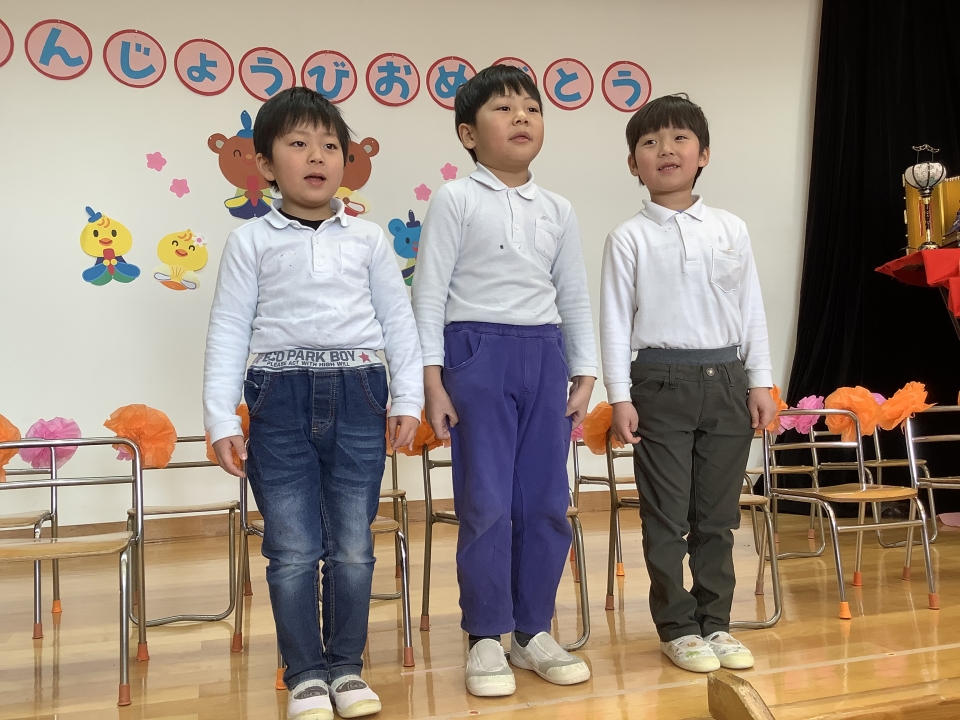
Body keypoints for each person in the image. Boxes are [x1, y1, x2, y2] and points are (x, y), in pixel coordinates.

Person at [203, 87, 423, 720]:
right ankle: (304, 674)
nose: (317, 156)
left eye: (330, 145)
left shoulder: (369, 239)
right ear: (265, 164)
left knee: (353, 544)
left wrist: (407, 397)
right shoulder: (250, 242)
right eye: (298, 144)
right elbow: (228, 329)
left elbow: (398, 321)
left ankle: (346, 669)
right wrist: (221, 417)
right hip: (278, 397)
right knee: (293, 547)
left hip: (360, 392)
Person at [412, 65, 596, 697]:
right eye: (503, 108)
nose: (521, 116)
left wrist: (585, 370)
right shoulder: (455, 199)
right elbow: (429, 293)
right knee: (486, 503)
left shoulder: (558, 209)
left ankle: (532, 630)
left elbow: (573, 294)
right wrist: (432, 381)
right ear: (468, 133)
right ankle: (486, 634)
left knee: (545, 501)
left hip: (545, 355)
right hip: (475, 353)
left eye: (531, 108)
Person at [600, 93, 777, 674]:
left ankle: (716, 622)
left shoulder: (730, 228)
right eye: (650, 143)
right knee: (666, 516)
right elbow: (613, 320)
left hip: (727, 378)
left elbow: (751, 308)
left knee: (718, 517)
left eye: (680, 138)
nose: (666, 150)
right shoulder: (628, 237)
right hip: (659, 382)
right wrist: (619, 396)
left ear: (703, 154)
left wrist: (760, 381)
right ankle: (677, 628)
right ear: (634, 164)